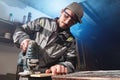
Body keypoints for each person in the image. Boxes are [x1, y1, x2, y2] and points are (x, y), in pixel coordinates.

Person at [13, 2, 83, 76]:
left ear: (75, 23)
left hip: (46, 73)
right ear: (62, 11)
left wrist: (63, 66)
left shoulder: (70, 40)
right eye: (66, 16)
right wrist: (23, 39)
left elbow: (72, 62)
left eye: (72, 21)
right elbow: (20, 29)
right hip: (24, 68)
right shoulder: (42, 22)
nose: (67, 22)